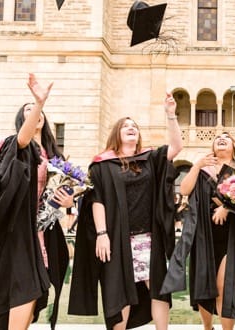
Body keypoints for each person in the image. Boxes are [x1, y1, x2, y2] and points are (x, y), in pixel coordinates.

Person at [69, 93, 182, 330]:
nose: (131, 128)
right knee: (119, 289)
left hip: (148, 236)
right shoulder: (102, 164)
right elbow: (96, 200)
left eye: (134, 127)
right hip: (117, 238)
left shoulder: (150, 158)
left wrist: (171, 115)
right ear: (117, 134)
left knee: (158, 289)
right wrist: (102, 234)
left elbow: (176, 147)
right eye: (126, 126)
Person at [0, 73, 73, 330]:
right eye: (27, 110)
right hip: (17, 230)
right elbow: (23, 141)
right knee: (25, 288)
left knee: (36, 290)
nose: (33, 113)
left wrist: (66, 200)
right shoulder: (15, 144)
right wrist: (39, 102)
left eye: (36, 110)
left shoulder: (51, 156)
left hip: (40, 231)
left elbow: (51, 195)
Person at [162, 132, 235, 330]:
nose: (221, 138)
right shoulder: (203, 170)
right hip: (204, 234)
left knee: (224, 287)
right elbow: (185, 190)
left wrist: (227, 207)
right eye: (218, 137)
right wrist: (197, 165)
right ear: (212, 146)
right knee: (204, 287)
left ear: (233, 146)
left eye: (226, 137)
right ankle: (207, 328)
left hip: (233, 236)